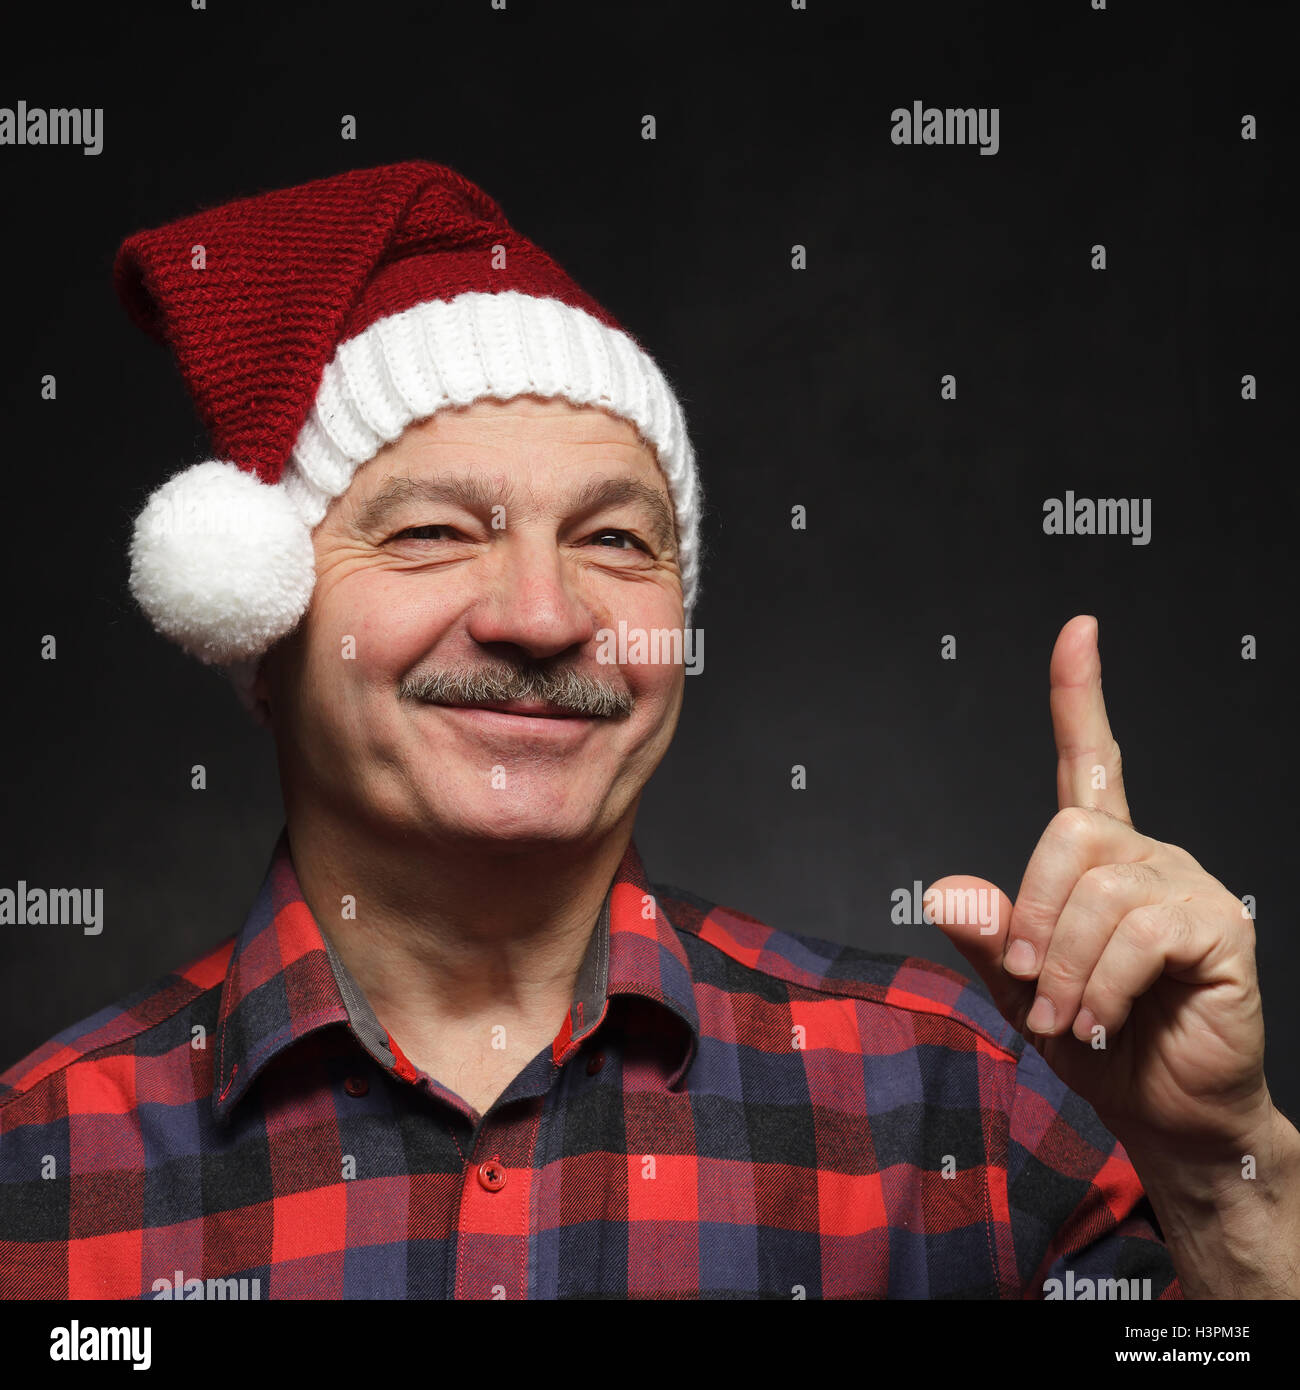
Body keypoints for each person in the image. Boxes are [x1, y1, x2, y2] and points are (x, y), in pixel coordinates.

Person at [1, 161, 1295, 1300]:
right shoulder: (42, 1169)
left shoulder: (958, 1105)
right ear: (259, 624)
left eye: (615, 539)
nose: (541, 613)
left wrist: (1224, 1184)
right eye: (435, 530)